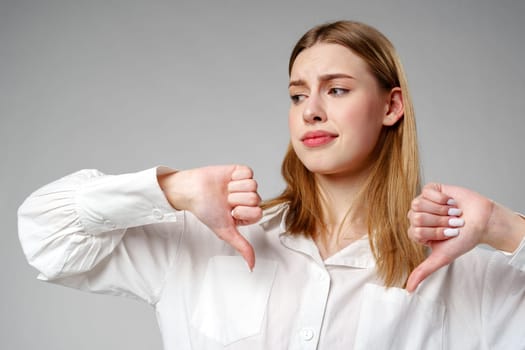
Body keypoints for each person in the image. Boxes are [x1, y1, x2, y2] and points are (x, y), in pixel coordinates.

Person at [17, 20, 525, 349]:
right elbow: (47, 238)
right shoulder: (203, 241)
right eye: (298, 95)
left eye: (338, 89)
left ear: (391, 107)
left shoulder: (464, 276)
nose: (313, 111)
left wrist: (505, 228)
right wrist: (171, 189)